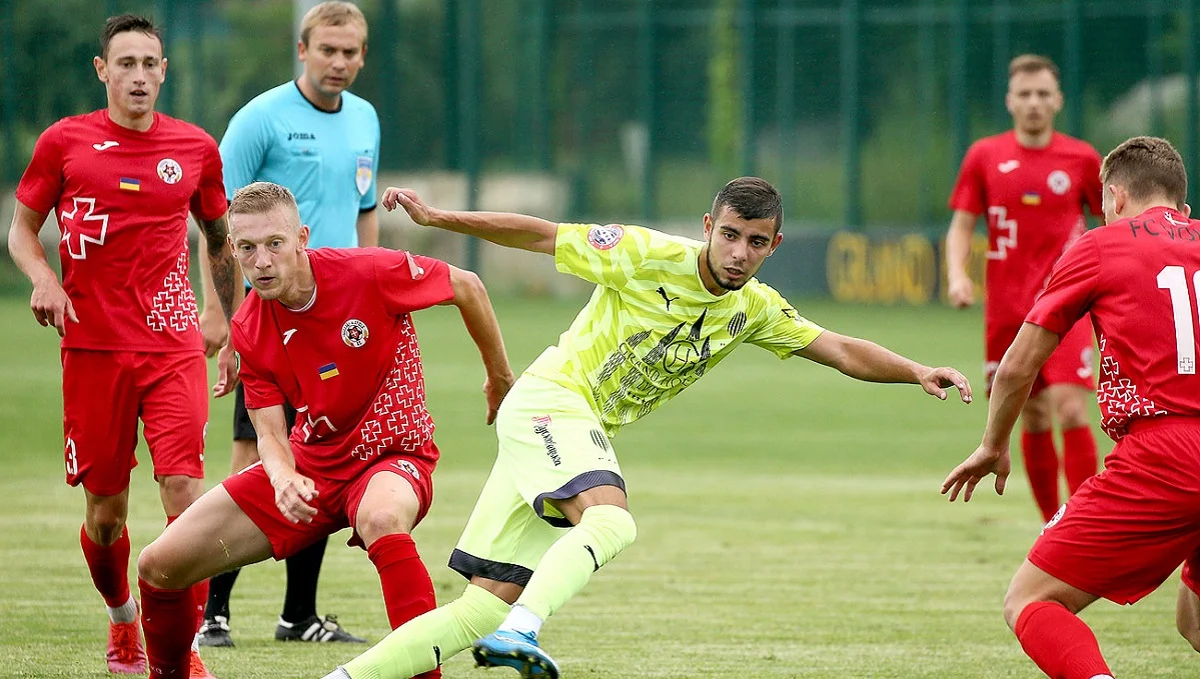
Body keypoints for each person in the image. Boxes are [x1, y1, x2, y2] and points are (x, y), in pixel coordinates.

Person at [318, 176, 974, 679]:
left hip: (562, 426)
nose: (739, 253)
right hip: (551, 401)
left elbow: (837, 348)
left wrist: (915, 369)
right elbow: (540, 234)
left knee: (480, 606)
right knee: (611, 520)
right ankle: (525, 630)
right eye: (729, 235)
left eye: (755, 242)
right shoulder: (644, 254)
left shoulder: (756, 309)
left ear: (773, 245)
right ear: (707, 226)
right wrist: (439, 218)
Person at [135, 181, 513, 678]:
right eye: (247, 248)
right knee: (159, 564)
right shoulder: (249, 325)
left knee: (381, 518)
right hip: (314, 465)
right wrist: (283, 478)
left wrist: (500, 378)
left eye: (274, 244)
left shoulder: (368, 271)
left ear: (302, 239)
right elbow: (268, 434)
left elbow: (468, 286)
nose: (262, 261)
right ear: (232, 249)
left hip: (392, 457)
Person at [6, 14, 237, 679]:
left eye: (150, 64)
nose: (139, 75)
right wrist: (45, 278)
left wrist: (221, 318)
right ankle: (122, 620)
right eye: (126, 63)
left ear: (165, 71)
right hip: (91, 352)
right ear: (102, 70)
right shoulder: (64, 142)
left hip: (170, 348)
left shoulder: (194, 147)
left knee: (185, 497)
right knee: (106, 517)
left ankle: (182, 649)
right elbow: (21, 231)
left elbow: (219, 238)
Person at [943, 136, 1200, 678]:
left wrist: (993, 443)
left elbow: (1018, 366)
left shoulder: (1102, 245)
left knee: (1030, 601)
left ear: (1115, 197)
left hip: (1167, 457)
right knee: (1194, 620)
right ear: (1184, 206)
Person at [198, 0, 381, 648]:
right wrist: (220, 313)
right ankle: (211, 610)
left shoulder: (365, 119)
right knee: (252, 456)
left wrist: (370, 294)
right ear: (301, 50)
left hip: (336, 320)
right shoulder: (260, 120)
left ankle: (298, 615)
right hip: (268, 320)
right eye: (327, 49)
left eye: (350, 51)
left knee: (324, 457)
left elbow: (363, 214)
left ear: (363, 54)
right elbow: (217, 225)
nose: (339, 62)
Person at [944, 54, 1103, 523]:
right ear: (1010, 102)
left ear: (1058, 101)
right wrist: (957, 274)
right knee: (1031, 416)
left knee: (1071, 406)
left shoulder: (1082, 158)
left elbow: (1109, 224)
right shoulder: (985, 156)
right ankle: (1052, 527)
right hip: (1008, 310)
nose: (1034, 103)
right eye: (1025, 94)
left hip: (1067, 304)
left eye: (1042, 94)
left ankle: (1087, 521)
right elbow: (961, 226)